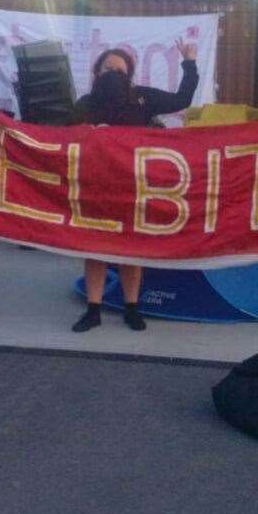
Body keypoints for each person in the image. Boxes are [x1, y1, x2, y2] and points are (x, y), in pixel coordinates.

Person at [70, 42, 199, 334]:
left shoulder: (142, 98)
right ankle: (93, 310)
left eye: (119, 69)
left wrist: (189, 63)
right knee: (96, 249)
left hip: (134, 187)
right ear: (96, 72)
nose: (114, 73)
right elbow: (65, 137)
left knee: (131, 248)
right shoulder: (86, 104)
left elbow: (182, 99)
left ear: (128, 73)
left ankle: (131, 308)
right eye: (108, 69)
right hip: (97, 187)